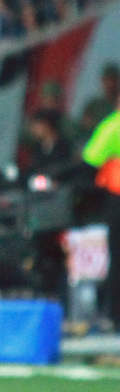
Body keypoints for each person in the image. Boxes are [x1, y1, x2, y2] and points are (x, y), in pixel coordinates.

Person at [83, 95, 120, 329]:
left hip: (117, 197)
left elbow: (91, 159)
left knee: (117, 257)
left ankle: (114, 315)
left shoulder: (113, 124)